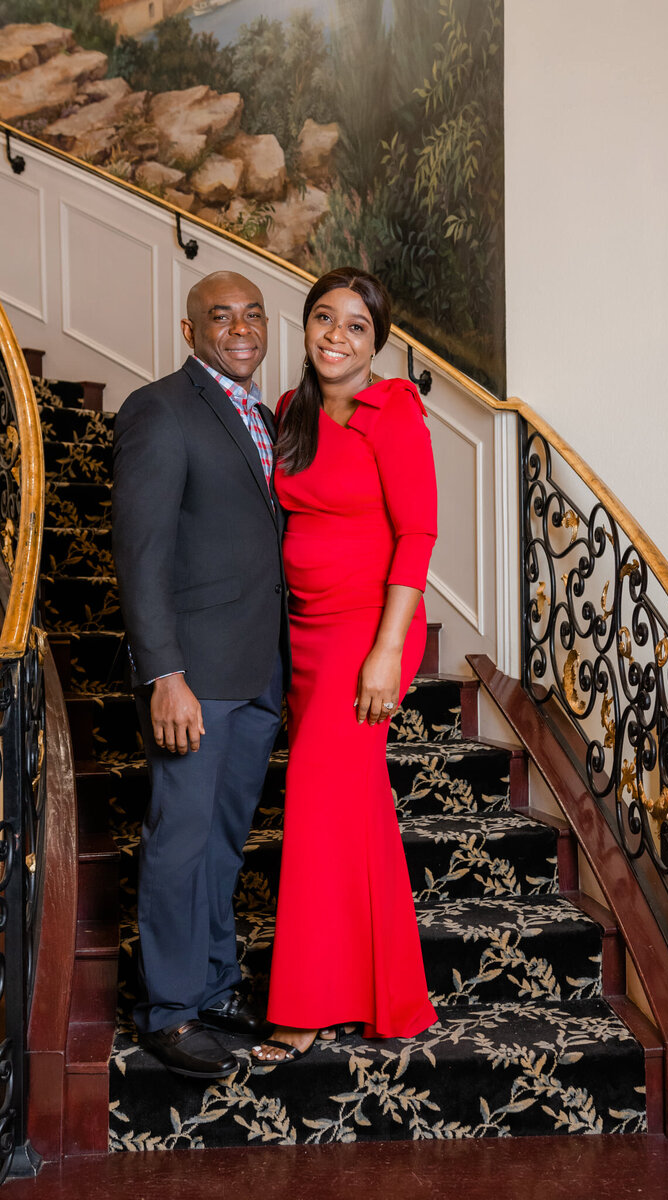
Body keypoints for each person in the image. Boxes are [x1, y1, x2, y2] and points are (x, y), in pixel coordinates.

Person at [252, 266, 438, 1064]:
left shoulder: (393, 413)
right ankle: (390, 996)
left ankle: (303, 1004)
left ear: (376, 344)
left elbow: (417, 537)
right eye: (323, 318)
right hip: (302, 633)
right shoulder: (291, 411)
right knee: (355, 813)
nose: (335, 335)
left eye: (355, 326)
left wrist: (386, 652)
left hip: (367, 634)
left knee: (317, 806)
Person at [112, 271, 290, 1079]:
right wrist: (165, 675)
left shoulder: (262, 415)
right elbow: (140, 555)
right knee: (179, 840)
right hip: (196, 676)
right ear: (191, 332)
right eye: (221, 317)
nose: (241, 328)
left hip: (257, 670)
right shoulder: (160, 408)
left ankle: (214, 986)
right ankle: (171, 1012)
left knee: (221, 841)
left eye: (252, 314)